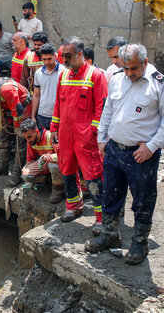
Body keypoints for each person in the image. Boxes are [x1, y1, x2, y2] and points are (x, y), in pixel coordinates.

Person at [88, 43, 164, 265]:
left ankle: (140, 243)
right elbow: (108, 109)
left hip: (141, 156)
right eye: (126, 68)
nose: (129, 74)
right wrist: (102, 138)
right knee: (110, 195)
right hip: (114, 150)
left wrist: (151, 146)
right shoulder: (118, 78)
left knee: (142, 201)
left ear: (145, 63)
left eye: (134, 69)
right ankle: (110, 235)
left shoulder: (160, 85)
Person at [50, 37, 108, 233]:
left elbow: (102, 108)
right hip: (66, 135)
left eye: (68, 56)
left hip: (86, 137)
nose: (64, 60)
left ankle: (101, 218)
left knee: (93, 175)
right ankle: (74, 207)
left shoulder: (96, 75)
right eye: (63, 56)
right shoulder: (63, 75)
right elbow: (58, 104)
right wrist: (54, 128)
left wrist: (94, 133)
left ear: (81, 54)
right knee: (67, 170)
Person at [19, 119, 64, 203]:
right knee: (26, 175)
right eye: (25, 138)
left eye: (29, 137)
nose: (28, 140)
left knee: (52, 166)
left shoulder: (50, 136)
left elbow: (64, 157)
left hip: (60, 164)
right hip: (46, 163)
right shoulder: (31, 141)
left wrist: (49, 157)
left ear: (37, 131)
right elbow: (30, 160)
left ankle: (58, 190)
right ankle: (50, 180)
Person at [31, 43, 65, 130]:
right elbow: (36, 95)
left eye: (49, 59)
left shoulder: (64, 72)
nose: (46, 62)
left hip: (59, 116)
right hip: (42, 116)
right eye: (44, 59)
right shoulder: (38, 73)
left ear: (55, 56)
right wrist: (33, 116)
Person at [20, 31, 48, 95]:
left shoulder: (54, 57)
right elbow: (24, 78)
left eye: (39, 45)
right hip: (34, 94)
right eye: (35, 44)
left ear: (46, 44)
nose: (36, 47)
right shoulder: (28, 57)